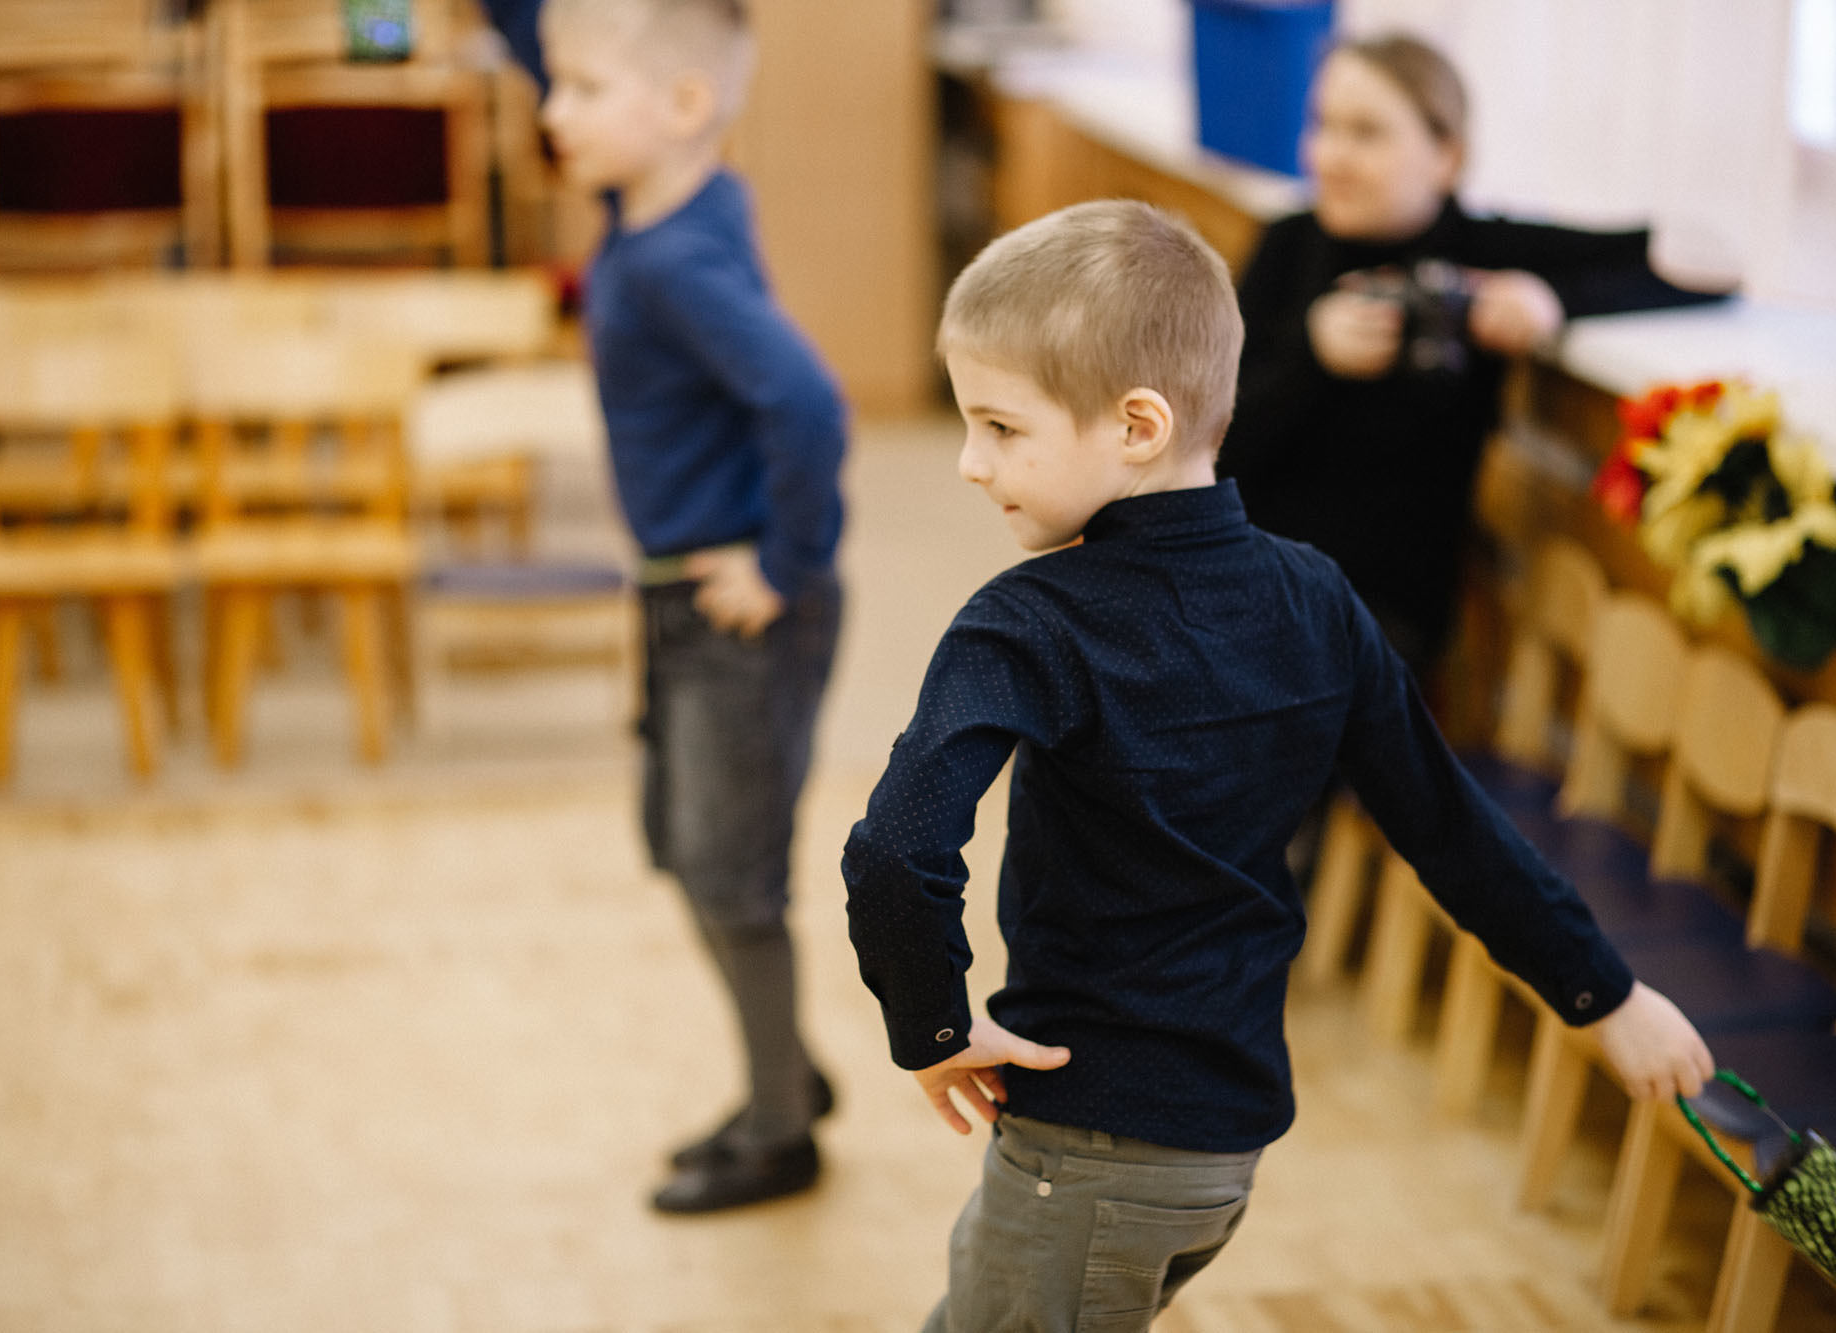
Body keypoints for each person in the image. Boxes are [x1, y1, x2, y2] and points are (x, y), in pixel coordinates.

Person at [841, 200, 1714, 1331]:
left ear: (1137, 423)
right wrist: (1606, 995)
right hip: (1222, 1153)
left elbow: (895, 846)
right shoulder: (1316, 595)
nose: (967, 464)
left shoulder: (1026, 621)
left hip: (1085, 1148)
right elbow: (1451, 832)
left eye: (999, 428)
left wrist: (933, 1026)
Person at [539, 0, 847, 1213]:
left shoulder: (672, 259)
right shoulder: (674, 201)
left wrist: (783, 561)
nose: (551, 111)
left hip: (736, 611)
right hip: (676, 596)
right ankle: (787, 1071)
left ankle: (779, 1128)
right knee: (682, 842)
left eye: (578, 90)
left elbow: (809, 404)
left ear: (679, 109)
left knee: (728, 871)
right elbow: (566, 37)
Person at [1218, 33, 1726, 675]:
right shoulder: (1289, 243)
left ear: (1446, 157)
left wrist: (1551, 298)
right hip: (1247, 577)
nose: (1331, 155)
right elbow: (1217, 444)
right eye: (1323, 126)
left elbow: (1704, 262)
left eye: (1366, 133)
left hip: (1376, 616)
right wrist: (1313, 359)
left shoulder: (1480, 253)